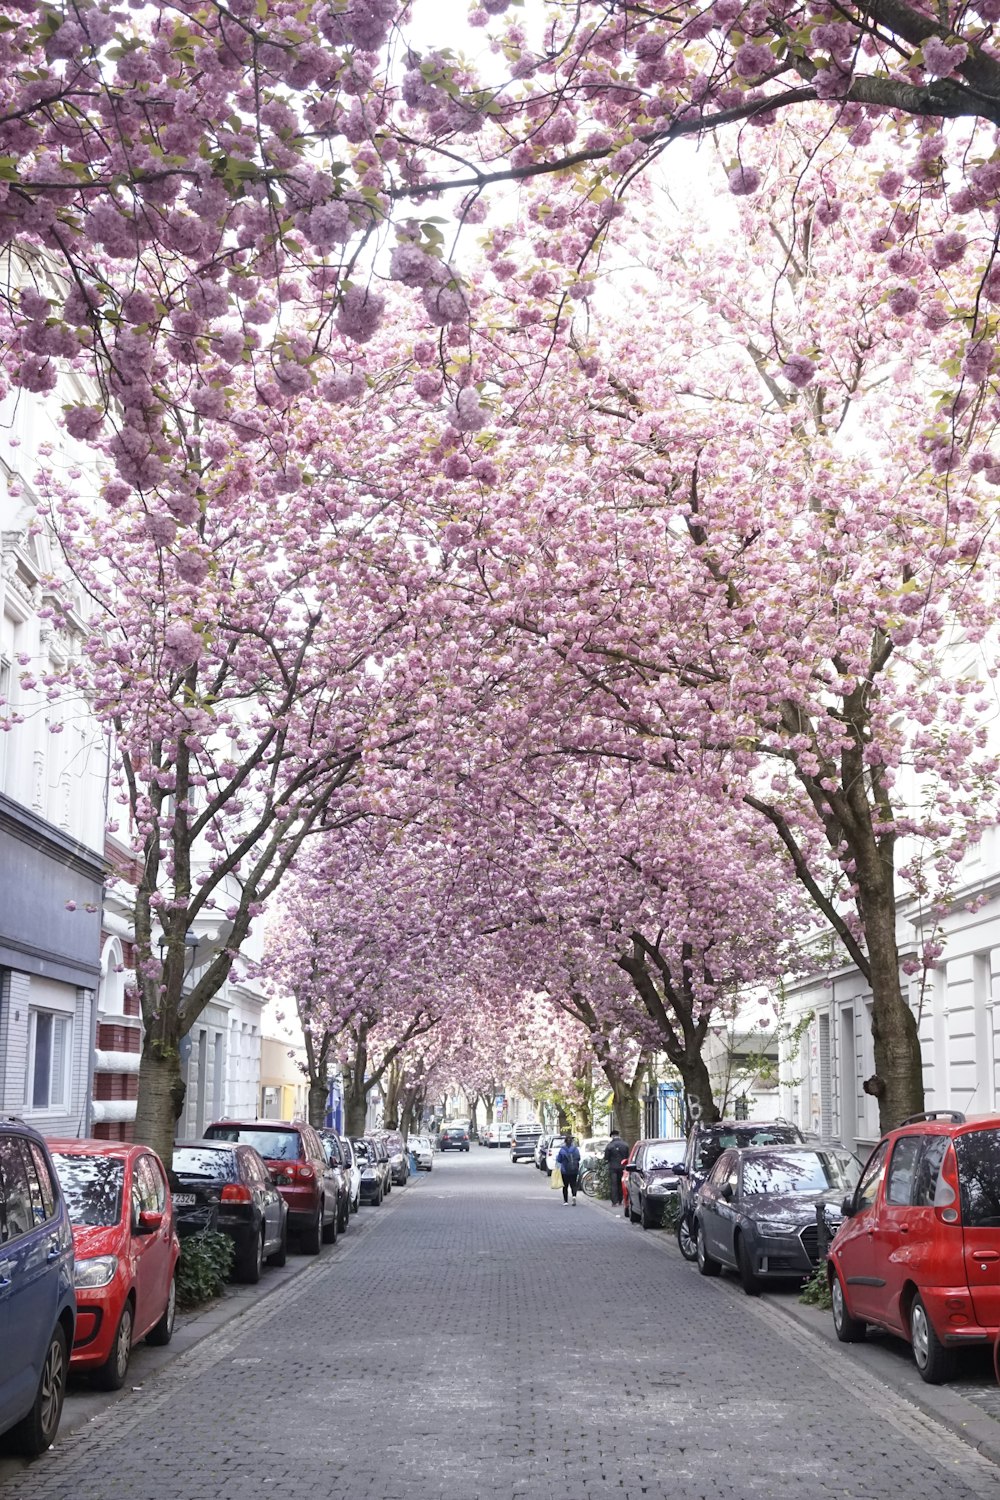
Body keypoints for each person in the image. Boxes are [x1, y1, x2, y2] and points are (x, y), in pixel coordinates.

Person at [605, 1128, 630, 1212]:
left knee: (614, 1184)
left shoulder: (609, 1146)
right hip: (623, 1167)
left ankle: (614, 1201)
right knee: (621, 1184)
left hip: (613, 1167)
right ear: (619, 1135)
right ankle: (621, 1200)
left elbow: (606, 1158)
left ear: (612, 1136)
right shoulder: (625, 1145)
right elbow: (627, 1156)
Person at [556, 1133, 581, 1205]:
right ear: (572, 1142)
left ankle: (566, 1201)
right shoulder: (575, 1149)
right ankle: (574, 1196)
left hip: (565, 1171)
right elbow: (579, 1158)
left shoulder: (562, 1150)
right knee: (573, 1184)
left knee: (565, 1186)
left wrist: (557, 1168)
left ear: (565, 1141)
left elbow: (559, 1160)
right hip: (574, 1170)